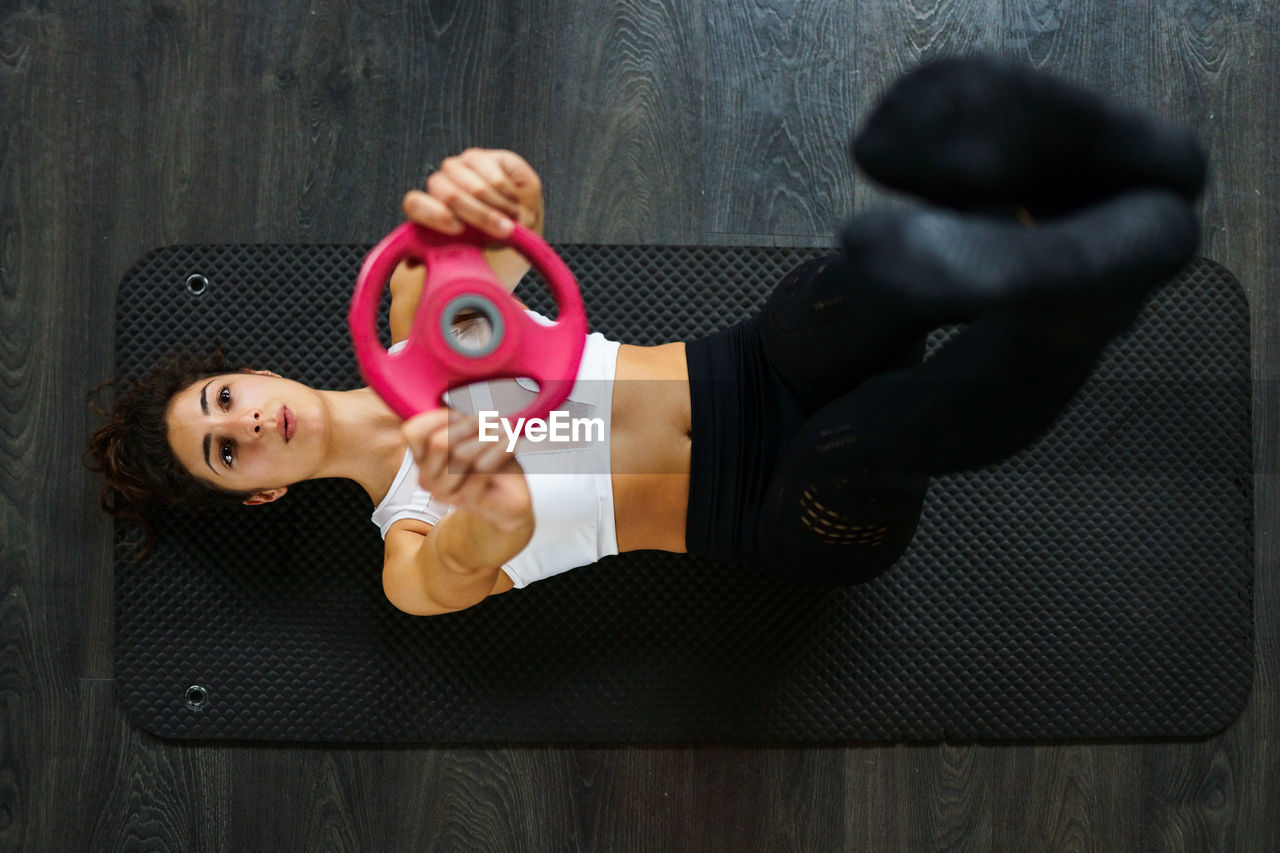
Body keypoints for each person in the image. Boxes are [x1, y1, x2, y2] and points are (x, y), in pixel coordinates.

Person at [86, 56, 1205, 616]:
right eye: (225, 450)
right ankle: (1079, 289)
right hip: (774, 509)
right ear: (261, 493)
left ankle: (1025, 219)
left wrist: (497, 186)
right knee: (850, 447)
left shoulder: (409, 325)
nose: (247, 422)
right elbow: (470, 560)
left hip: (748, 367)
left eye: (223, 398)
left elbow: (506, 238)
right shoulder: (405, 550)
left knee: (834, 298)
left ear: (255, 371)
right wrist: (491, 506)